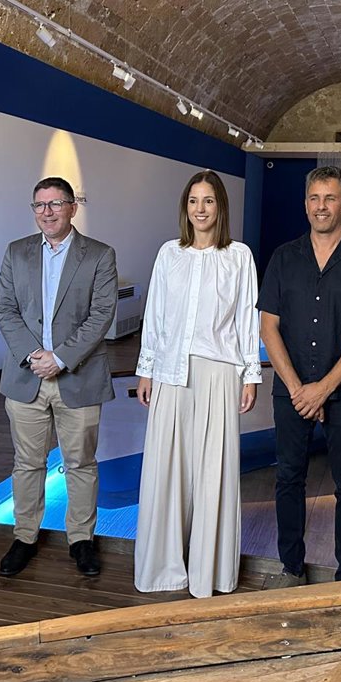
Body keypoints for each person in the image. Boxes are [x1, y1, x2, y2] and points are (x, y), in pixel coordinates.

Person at [257, 165, 341, 586]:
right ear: (305, 204)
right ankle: (291, 568)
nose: (321, 206)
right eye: (314, 198)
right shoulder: (283, 258)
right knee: (288, 478)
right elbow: (268, 327)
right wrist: (299, 389)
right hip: (291, 390)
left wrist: (323, 389)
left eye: (330, 198)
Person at [133, 170, 261, 597]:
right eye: (193, 201)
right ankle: (162, 569)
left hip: (219, 373)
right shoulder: (169, 253)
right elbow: (155, 314)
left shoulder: (239, 256)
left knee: (213, 471)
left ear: (220, 206)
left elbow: (246, 318)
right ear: (184, 207)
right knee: (165, 469)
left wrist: (250, 374)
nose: (200, 209)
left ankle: (210, 571)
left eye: (208, 201)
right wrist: (147, 369)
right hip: (170, 371)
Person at [0, 177, 117, 577]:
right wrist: (34, 355)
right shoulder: (17, 252)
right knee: (27, 463)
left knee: (80, 463)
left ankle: (81, 540)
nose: (47, 212)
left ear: (72, 208)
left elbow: (102, 314)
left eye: (55, 204)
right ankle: (24, 536)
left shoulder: (99, 255)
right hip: (26, 375)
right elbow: (4, 307)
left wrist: (61, 358)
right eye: (40, 205)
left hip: (77, 376)